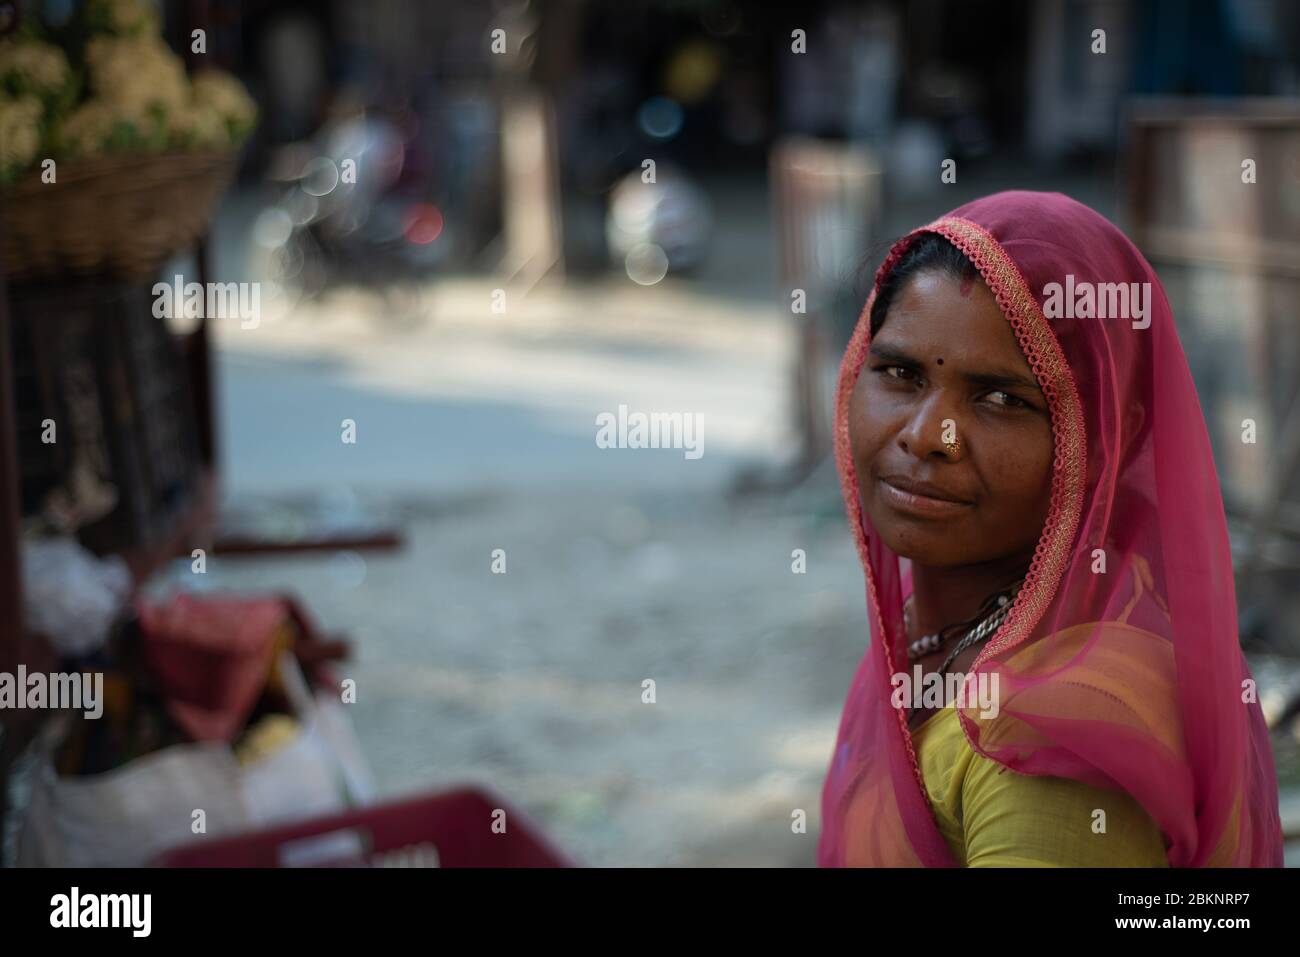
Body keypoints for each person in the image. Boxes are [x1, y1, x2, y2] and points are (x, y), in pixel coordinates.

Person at [818, 191, 1284, 867]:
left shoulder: (1053, 739)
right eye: (899, 373)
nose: (927, 436)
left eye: (1002, 398)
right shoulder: (936, 631)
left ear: (1099, 438)